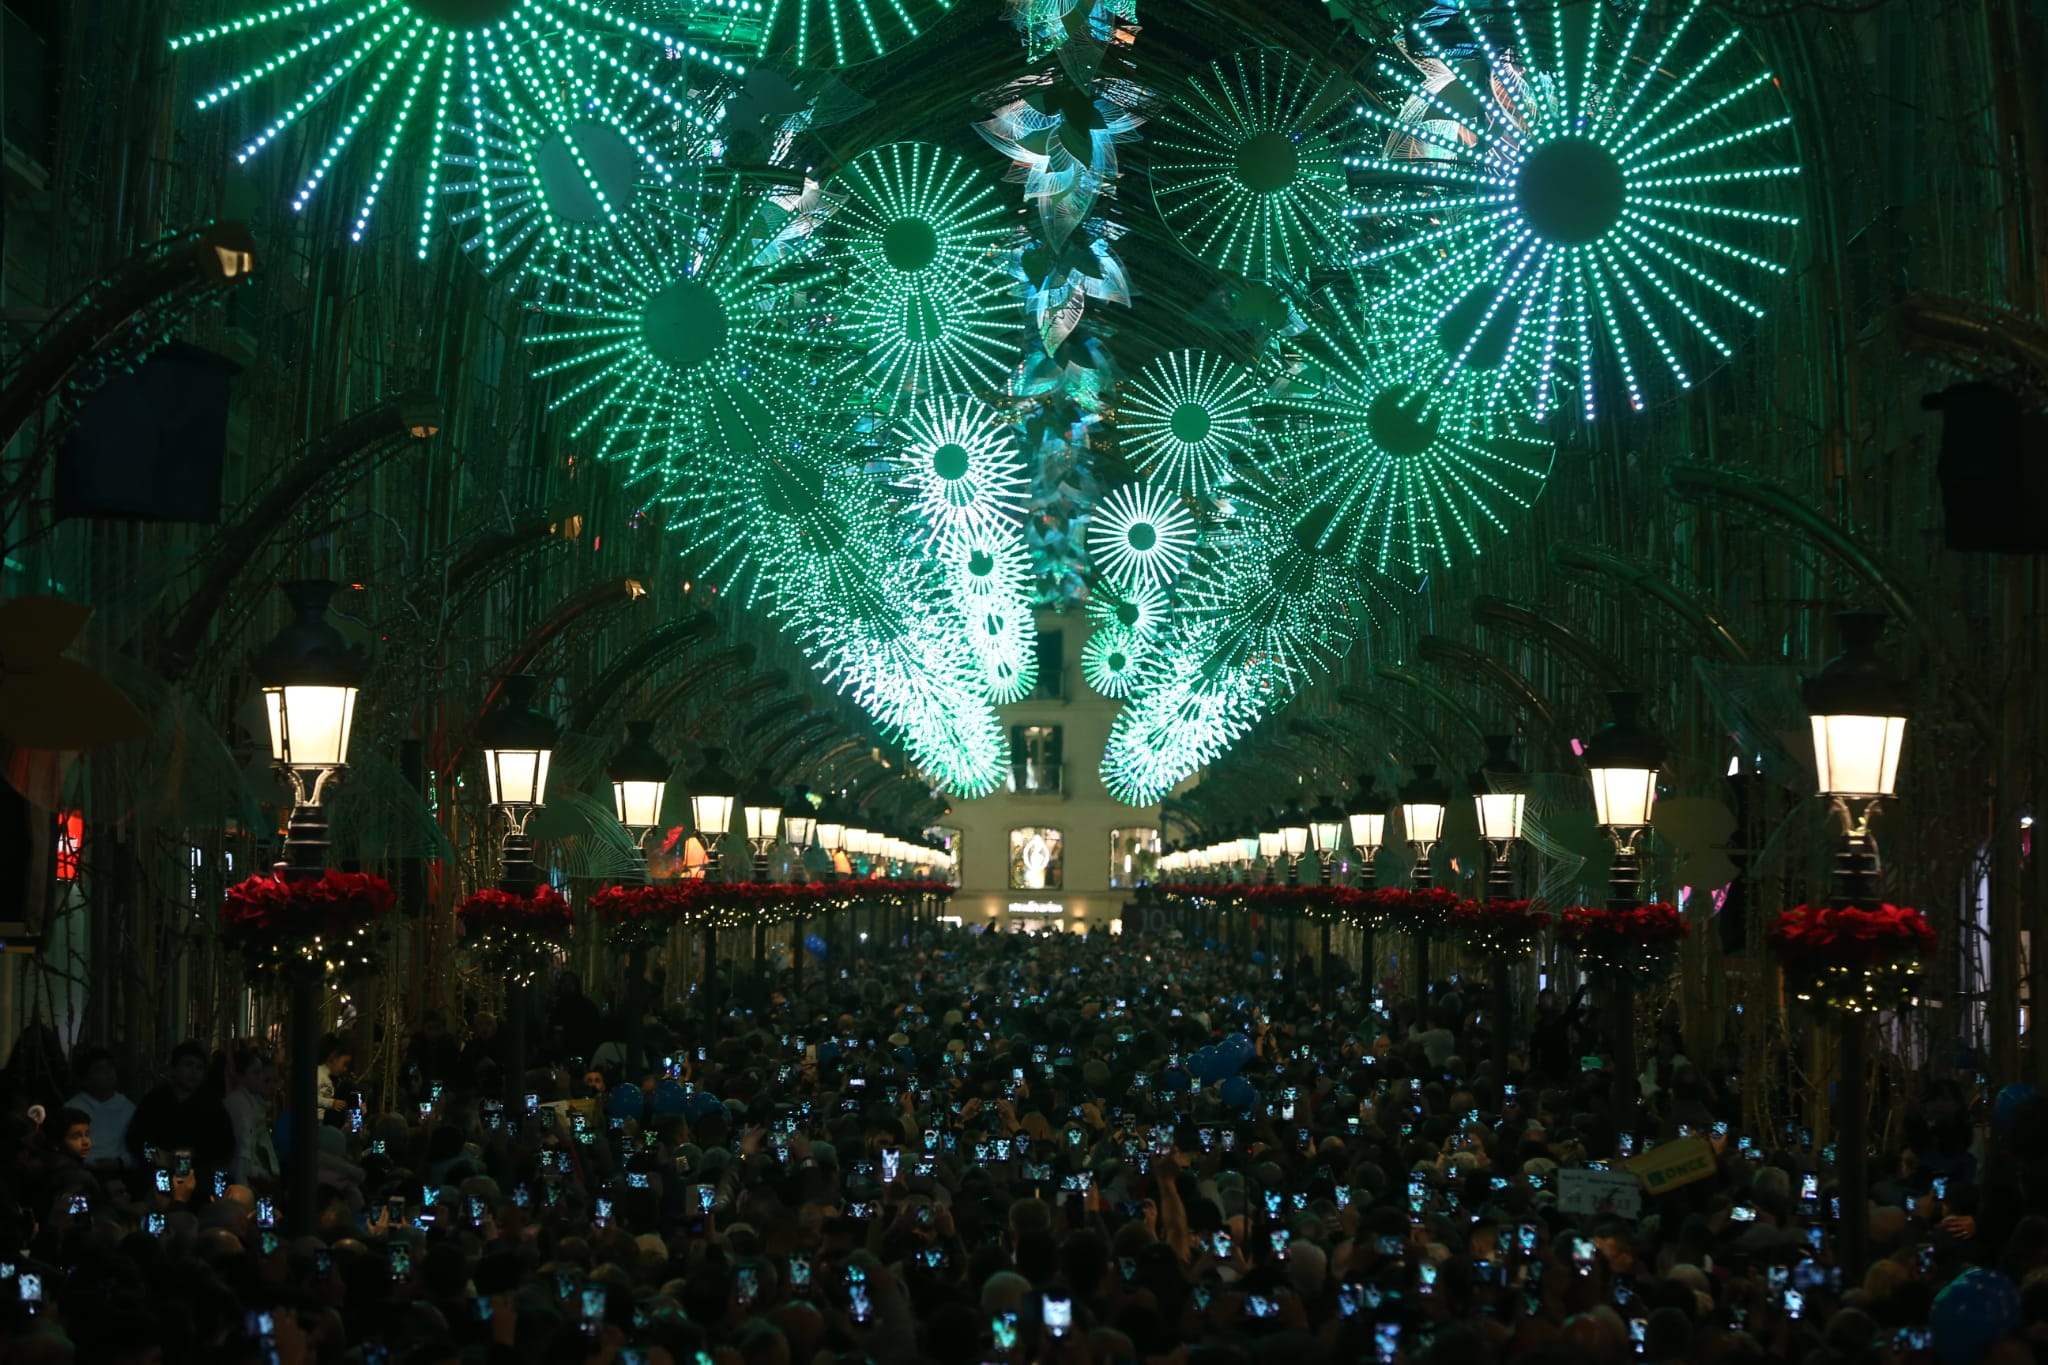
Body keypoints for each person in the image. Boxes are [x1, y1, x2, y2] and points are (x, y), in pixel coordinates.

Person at [125, 1038, 233, 1174]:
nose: (194, 1072)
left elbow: (225, 1145)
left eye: (199, 1067)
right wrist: (154, 1155)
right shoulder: (156, 1099)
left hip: (197, 1174)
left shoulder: (211, 1104)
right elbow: (135, 1138)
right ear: (174, 1068)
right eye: (188, 1065)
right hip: (157, 1171)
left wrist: (194, 1155)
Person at [62, 1045, 135, 1171]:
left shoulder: (128, 1107)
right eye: (100, 1070)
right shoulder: (72, 1109)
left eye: (110, 1067)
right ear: (86, 1080)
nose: (108, 1073)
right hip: (82, 1172)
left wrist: (120, 1162)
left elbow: (136, 1148)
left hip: (121, 1170)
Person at [222, 1046, 280, 1189]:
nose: (260, 1078)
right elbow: (243, 1150)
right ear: (241, 1076)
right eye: (256, 1073)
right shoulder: (239, 1103)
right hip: (243, 1177)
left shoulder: (249, 1102)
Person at [315, 1034, 353, 1129]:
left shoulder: (332, 1079)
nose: (345, 1069)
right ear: (333, 1058)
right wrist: (331, 1103)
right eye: (344, 1064)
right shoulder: (318, 1073)